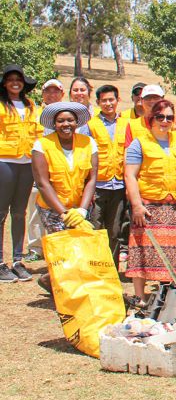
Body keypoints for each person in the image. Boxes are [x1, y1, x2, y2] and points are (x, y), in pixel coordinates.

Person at [123, 99, 176, 302]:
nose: (165, 121)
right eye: (160, 117)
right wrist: (136, 205)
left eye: (169, 117)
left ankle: (168, 298)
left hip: (173, 207)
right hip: (147, 206)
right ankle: (140, 297)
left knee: (172, 254)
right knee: (142, 251)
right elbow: (130, 176)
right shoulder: (139, 142)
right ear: (151, 119)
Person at [30, 103, 97, 279]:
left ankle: (64, 282)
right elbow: (43, 183)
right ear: (54, 124)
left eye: (70, 120)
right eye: (60, 121)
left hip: (80, 207)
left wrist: (81, 210)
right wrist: (65, 213)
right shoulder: (41, 145)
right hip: (52, 208)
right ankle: (56, 283)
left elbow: (91, 179)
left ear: (77, 123)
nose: (65, 124)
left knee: (81, 248)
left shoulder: (88, 143)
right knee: (63, 249)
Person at [0, 65, 42, 283]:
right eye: (11, 79)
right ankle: (0, 263)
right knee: (1, 213)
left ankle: (17, 260)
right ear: (5, 83)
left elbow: (38, 133)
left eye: (19, 79)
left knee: (19, 212)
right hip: (4, 161)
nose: (15, 83)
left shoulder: (31, 105)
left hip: (26, 162)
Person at [87, 85, 129, 265]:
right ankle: (95, 268)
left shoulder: (125, 124)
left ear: (117, 101)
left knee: (115, 230)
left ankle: (112, 270)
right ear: (98, 102)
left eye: (111, 99)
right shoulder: (90, 125)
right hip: (98, 186)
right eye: (104, 100)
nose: (108, 103)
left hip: (118, 185)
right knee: (95, 227)